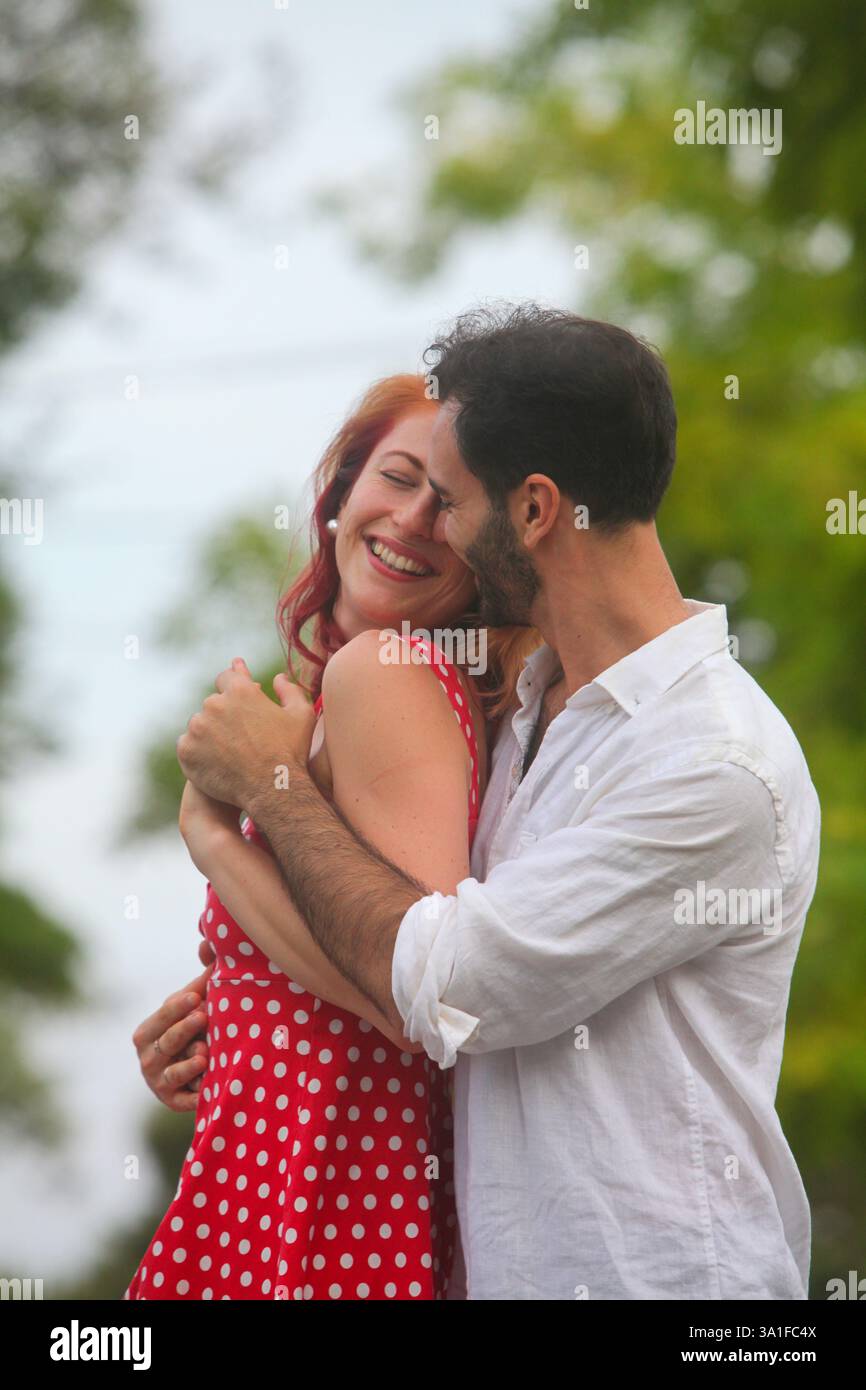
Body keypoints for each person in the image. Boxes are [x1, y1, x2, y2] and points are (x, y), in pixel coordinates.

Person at [177, 304, 821, 1301]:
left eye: (451, 499)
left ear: (531, 511)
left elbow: (446, 981)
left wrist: (263, 789)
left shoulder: (710, 760)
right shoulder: (528, 711)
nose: (434, 530)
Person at [125, 371, 537, 1301]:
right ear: (339, 494)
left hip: (337, 1185)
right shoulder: (351, 684)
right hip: (276, 1169)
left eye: (453, 503)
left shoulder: (388, 667)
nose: (414, 520)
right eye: (395, 477)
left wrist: (216, 833)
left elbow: (412, 997)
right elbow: (333, 965)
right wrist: (218, 1028)